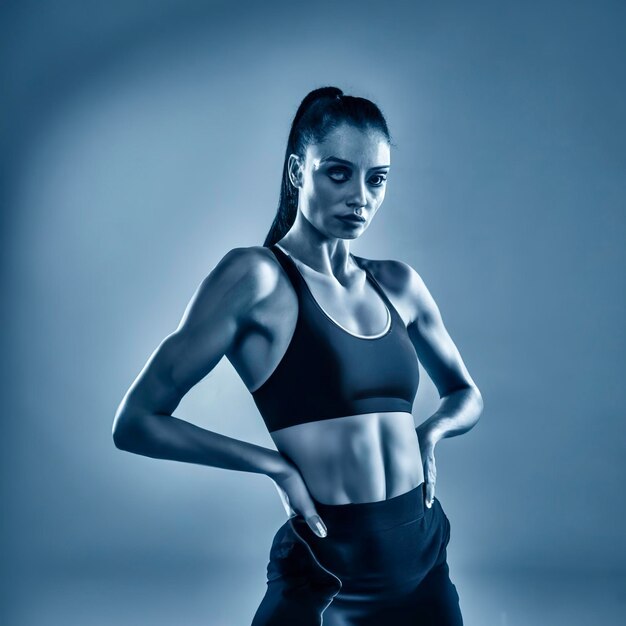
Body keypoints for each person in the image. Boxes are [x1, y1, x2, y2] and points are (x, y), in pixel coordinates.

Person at [112, 85, 484, 626]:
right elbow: (135, 423)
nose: (360, 196)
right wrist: (275, 468)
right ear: (296, 171)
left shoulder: (398, 284)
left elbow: (466, 394)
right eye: (338, 173)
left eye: (376, 179)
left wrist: (429, 433)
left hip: (422, 553)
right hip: (327, 565)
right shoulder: (255, 279)